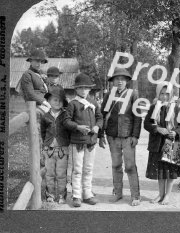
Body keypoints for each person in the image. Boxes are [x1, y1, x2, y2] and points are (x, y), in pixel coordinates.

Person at [99, 68, 142, 206]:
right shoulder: (108, 95)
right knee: (116, 165)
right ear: (113, 81)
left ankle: (135, 196)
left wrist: (135, 135)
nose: (119, 81)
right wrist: (101, 135)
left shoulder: (133, 95)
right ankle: (118, 193)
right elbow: (101, 115)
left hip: (128, 136)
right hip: (112, 136)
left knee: (130, 166)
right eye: (117, 79)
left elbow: (137, 117)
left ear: (127, 81)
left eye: (122, 79)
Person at [63, 73, 102, 207]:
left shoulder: (94, 102)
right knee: (77, 169)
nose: (84, 90)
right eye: (81, 88)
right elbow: (66, 121)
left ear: (90, 89)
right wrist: (77, 127)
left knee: (88, 168)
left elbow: (100, 117)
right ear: (76, 89)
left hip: (91, 141)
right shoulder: (73, 104)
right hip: (78, 142)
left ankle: (87, 194)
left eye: (86, 88)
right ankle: (76, 195)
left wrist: (97, 126)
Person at [144, 81, 180, 205]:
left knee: (170, 171)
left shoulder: (177, 108)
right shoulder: (153, 107)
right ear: (158, 93)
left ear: (171, 94)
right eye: (161, 94)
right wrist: (156, 129)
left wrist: (176, 132)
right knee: (160, 171)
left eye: (167, 94)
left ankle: (167, 195)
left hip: (171, 143)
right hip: (157, 144)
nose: (164, 97)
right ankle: (160, 194)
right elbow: (146, 124)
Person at [17, 49, 51, 167]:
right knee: (37, 136)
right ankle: (39, 163)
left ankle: (46, 161)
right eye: (36, 61)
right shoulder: (27, 75)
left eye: (41, 61)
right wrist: (44, 102)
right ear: (30, 61)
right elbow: (30, 93)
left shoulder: (40, 74)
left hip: (44, 106)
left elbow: (47, 91)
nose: (38, 63)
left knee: (47, 134)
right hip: (35, 107)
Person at [40, 88, 70, 204]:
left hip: (63, 149)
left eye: (61, 101)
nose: (58, 103)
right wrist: (46, 144)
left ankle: (62, 195)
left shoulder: (66, 116)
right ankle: (50, 195)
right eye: (55, 100)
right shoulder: (45, 117)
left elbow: (69, 131)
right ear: (49, 100)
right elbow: (43, 132)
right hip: (49, 150)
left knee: (61, 174)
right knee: (49, 173)